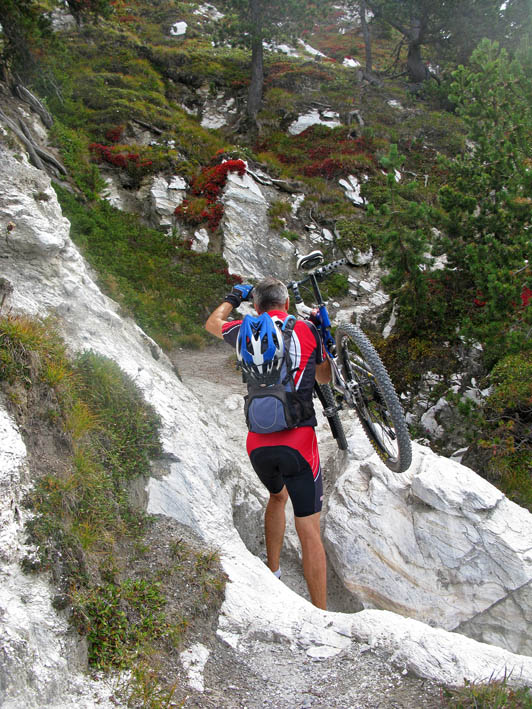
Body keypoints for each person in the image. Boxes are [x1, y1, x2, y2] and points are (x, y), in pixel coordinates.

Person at [205, 277, 331, 610]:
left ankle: (273, 570)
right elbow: (324, 378)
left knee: (277, 496)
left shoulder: (245, 330)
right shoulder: (305, 330)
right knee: (308, 528)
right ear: (286, 305)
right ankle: (322, 616)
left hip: (258, 444)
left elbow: (212, 323)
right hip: (299, 442)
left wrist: (234, 296)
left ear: (257, 307)